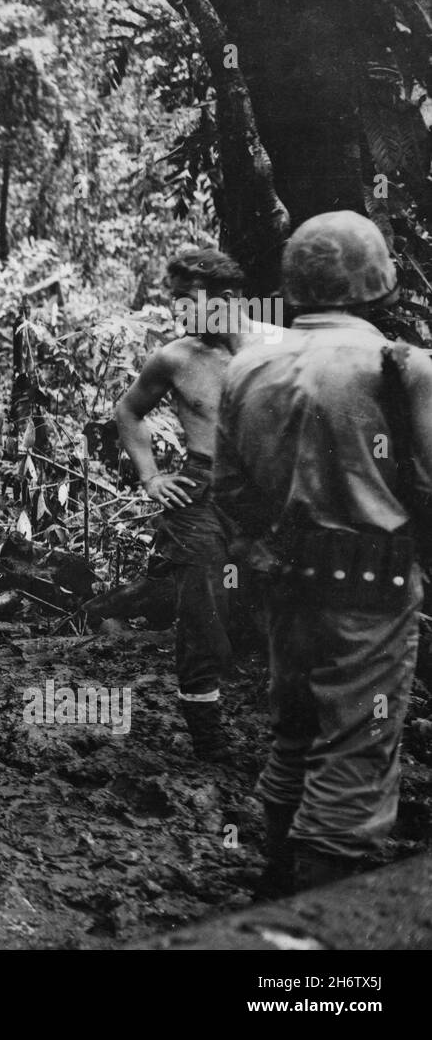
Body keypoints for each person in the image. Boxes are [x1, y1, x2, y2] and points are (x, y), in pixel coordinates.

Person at [215, 210, 432, 892]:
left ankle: (276, 876)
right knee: (356, 750)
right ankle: (312, 923)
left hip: (282, 583)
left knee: (293, 730)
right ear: (378, 280)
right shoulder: (402, 367)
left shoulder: (247, 364)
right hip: (371, 589)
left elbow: (229, 489)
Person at [115, 249, 249, 762]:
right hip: (200, 492)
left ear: (228, 297)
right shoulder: (175, 357)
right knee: (203, 606)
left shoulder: (273, 348)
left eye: (187, 298)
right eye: (175, 300)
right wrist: (150, 476)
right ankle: (209, 739)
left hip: (265, 497)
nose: (180, 310)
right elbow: (128, 410)